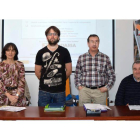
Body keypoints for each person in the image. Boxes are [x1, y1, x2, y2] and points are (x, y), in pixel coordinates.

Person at [35, 26, 72, 106]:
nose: (52, 36)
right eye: (50, 34)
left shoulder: (65, 51)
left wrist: (60, 80)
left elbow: (69, 70)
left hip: (60, 91)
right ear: (46, 37)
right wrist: (46, 80)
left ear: (58, 37)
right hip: (44, 91)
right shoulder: (40, 52)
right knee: (42, 115)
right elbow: (37, 72)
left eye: (55, 34)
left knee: (60, 115)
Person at [74, 34, 116, 106]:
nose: (94, 44)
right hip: (85, 91)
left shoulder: (105, 58)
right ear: (88, 43)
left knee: (100, 114)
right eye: (92, 41)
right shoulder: (82, 58)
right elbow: (77, 75)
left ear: (99, 43)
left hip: (100, 91)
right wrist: (79, 87)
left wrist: (106, 88)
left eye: (96, 41)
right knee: (83, 113)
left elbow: (112, 76)